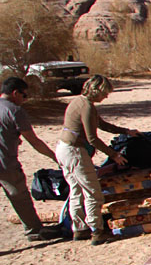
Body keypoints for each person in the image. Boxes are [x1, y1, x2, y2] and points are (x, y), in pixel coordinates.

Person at [55, 75, 138, 245]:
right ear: (97, 90)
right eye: (105, 93)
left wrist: (125, 131)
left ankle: (79, 229)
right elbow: (92, 138)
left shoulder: (78, 101)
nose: (106, 97)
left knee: (76, 190)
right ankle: (97, 231)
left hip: (63, 149)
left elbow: (101, 124)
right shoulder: (86, 107)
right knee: (93, 192)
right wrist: (114, 155)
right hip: (75, 152)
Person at [0, 77, 62, 242]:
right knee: (20, 198)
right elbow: (34, 141)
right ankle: (34, 230)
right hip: (6, 165)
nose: (24, 100)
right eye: (24, 96)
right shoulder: (15, 111)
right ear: (15, 93)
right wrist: (55, 157)